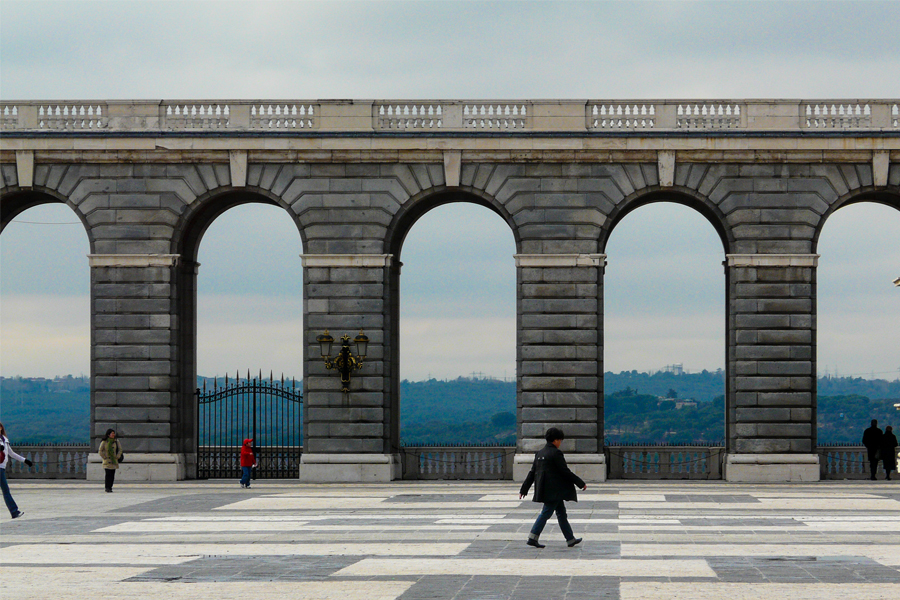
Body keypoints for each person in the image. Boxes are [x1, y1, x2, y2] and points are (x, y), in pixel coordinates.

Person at [519, 427, 587, 548]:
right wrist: (580, 483)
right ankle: (532, 537)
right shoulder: (556, 453)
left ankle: (570, 539)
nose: (560, 443)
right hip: (555, 490)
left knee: (561, 513)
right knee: (546, 513)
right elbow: (565, 471)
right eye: (560, 440)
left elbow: (532, 473)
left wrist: (524, 489)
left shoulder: (539, 453)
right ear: (555, 440)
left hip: (546, 490)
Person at [1, 422, 34, 519]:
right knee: (6, 491)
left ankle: (14, 511)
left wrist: (25, 460)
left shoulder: (5, 440)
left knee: (5, 491)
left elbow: (12, 453)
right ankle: (14, 511)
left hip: (2, 468)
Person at [98, 428, 123, 493]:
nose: (113, 435)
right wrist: (104, 457)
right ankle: (107, 487)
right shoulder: (104, 441)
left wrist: (118, 456)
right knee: (108, 474)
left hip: (114, 461)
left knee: (112, 475)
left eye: (114, 433)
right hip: (107, 461)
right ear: (108, 434)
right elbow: (100, 451)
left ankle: (110, 487)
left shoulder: (116, 441)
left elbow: (120, 449)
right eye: (112, 433)